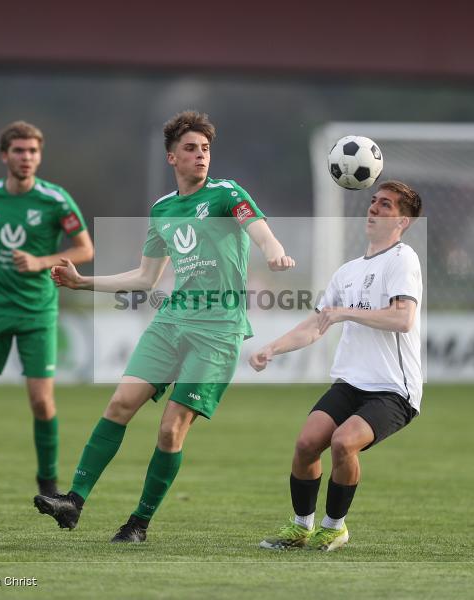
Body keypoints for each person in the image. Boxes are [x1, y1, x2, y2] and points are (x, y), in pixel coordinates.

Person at [33, 110, 295, 543]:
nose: (200, 156)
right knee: (119, 404)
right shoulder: (163, 210)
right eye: (191, 149)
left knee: (171, 428)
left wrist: (274, 251)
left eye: (206, 149)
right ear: (171, 157)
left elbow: (259, 229)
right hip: (171, 320)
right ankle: (73, 502)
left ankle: (139, 523)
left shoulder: (226, 193)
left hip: (218, 329)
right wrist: (83, 282)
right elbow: (144, 277)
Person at [250, 180, 423, 552]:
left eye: (387, 206)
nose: (374, 209)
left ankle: (335, 527)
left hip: (393, 390)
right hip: (351, 383)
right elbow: (317, 324)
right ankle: (300, 528)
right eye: (373, 202)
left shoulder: (403, 259)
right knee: (307, 443)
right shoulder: (347, 271)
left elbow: (403, 318)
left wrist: (346, 312)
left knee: (344, 443)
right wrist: (272, 348)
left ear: (403, 222)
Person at [0, 121, 94, 501]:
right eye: (20, 151)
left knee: (41, 401)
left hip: (37, 311)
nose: (27, 158)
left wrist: (41, 261)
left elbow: (84, 250)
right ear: (4, 155)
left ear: (40, 156)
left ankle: (47, 483)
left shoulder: (56, 200)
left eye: (33, 152)